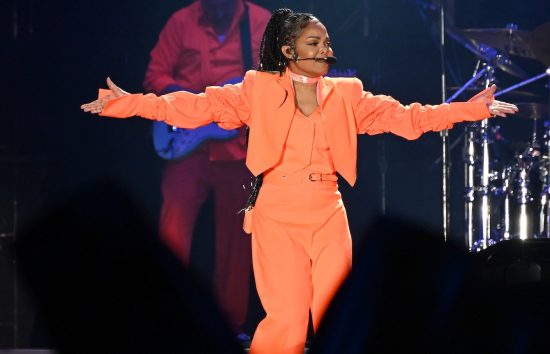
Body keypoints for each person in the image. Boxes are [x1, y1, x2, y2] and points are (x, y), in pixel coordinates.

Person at [82, 8, 518, 354]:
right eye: (314, 42)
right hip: (277, 211)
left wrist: (466, 109)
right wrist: (132, 104)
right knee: (286, 324)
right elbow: (197, 108)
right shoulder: (256, 87)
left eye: (327, 42)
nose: (326, 48)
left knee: (339, 318)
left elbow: (406, 117)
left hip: (328, 210)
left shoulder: (347, 93)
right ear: (288, 50)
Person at [143, 0, 270, 340]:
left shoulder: (260, 23)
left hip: (239, 151)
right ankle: (168, 320)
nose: (217, 10)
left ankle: (228, 327)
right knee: (172, 232)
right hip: (186, 150)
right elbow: (155, 75)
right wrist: (189, 103)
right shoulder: (181, 21)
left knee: (236, 242)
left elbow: (278, 83)